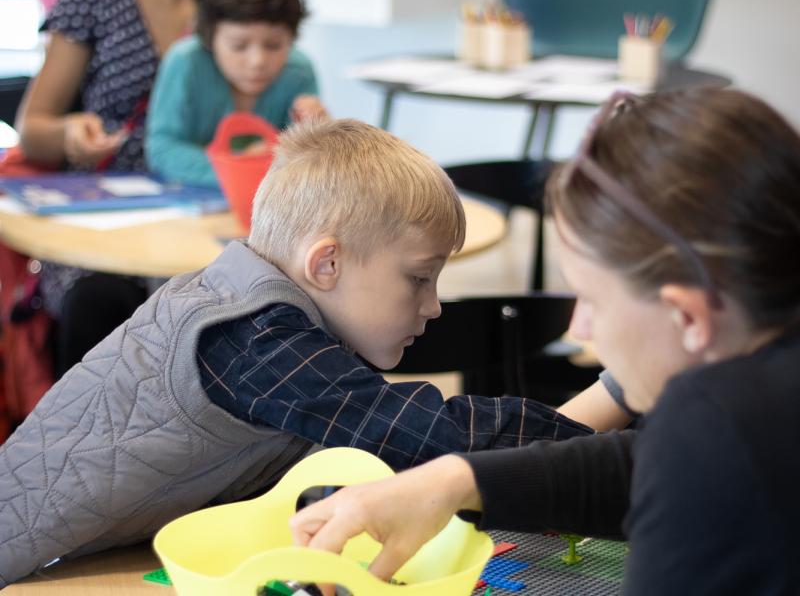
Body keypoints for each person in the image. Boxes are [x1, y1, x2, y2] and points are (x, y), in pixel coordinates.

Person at [0, 118, 628, 587]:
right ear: (326, 263)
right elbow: (428, 434)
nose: (434, 306)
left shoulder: (266, 308)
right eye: (418, 278)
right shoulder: (254, 339)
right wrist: (616, 421)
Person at [290, 88, 800, 594]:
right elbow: (655, 465)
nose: (581, 330)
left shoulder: (720, 428)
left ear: (688, 316)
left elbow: (687, 461)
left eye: (592, 300)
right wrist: (456, 479)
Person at [11, 0, 196, 378]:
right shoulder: (94, 3)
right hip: (104, 210)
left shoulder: (240, 5)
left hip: (204, 205)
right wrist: (68, 134)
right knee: (99, 303)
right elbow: (32, 129)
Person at [145, 0, 327, 187]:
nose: (257, 61)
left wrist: (318, 133)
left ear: (292, 39)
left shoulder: (299, 72)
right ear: (209, 39)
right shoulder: (186, 62)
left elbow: (305, 161)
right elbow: (162, 149)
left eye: (274, 45)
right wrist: (241, 167)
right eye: (238, 46)